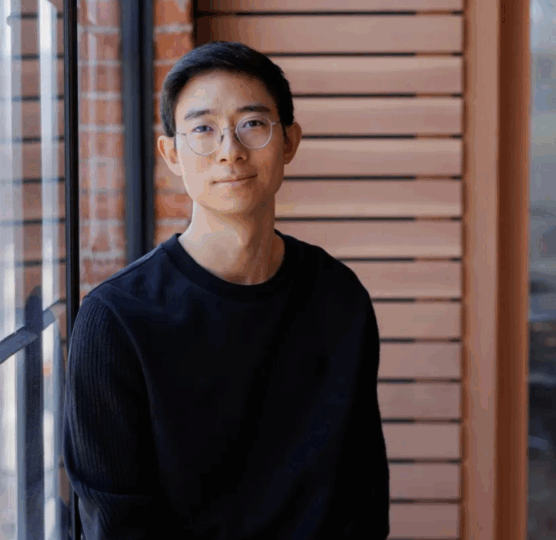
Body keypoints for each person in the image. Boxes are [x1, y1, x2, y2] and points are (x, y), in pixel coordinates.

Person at [61, 40, 390, 539]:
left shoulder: (339, 298)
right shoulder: (116, 320)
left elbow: (362, 500)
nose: (229, 151)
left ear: (290, 142)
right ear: (171, 154)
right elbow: (115, 526)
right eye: (203, 129)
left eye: (252, 124)